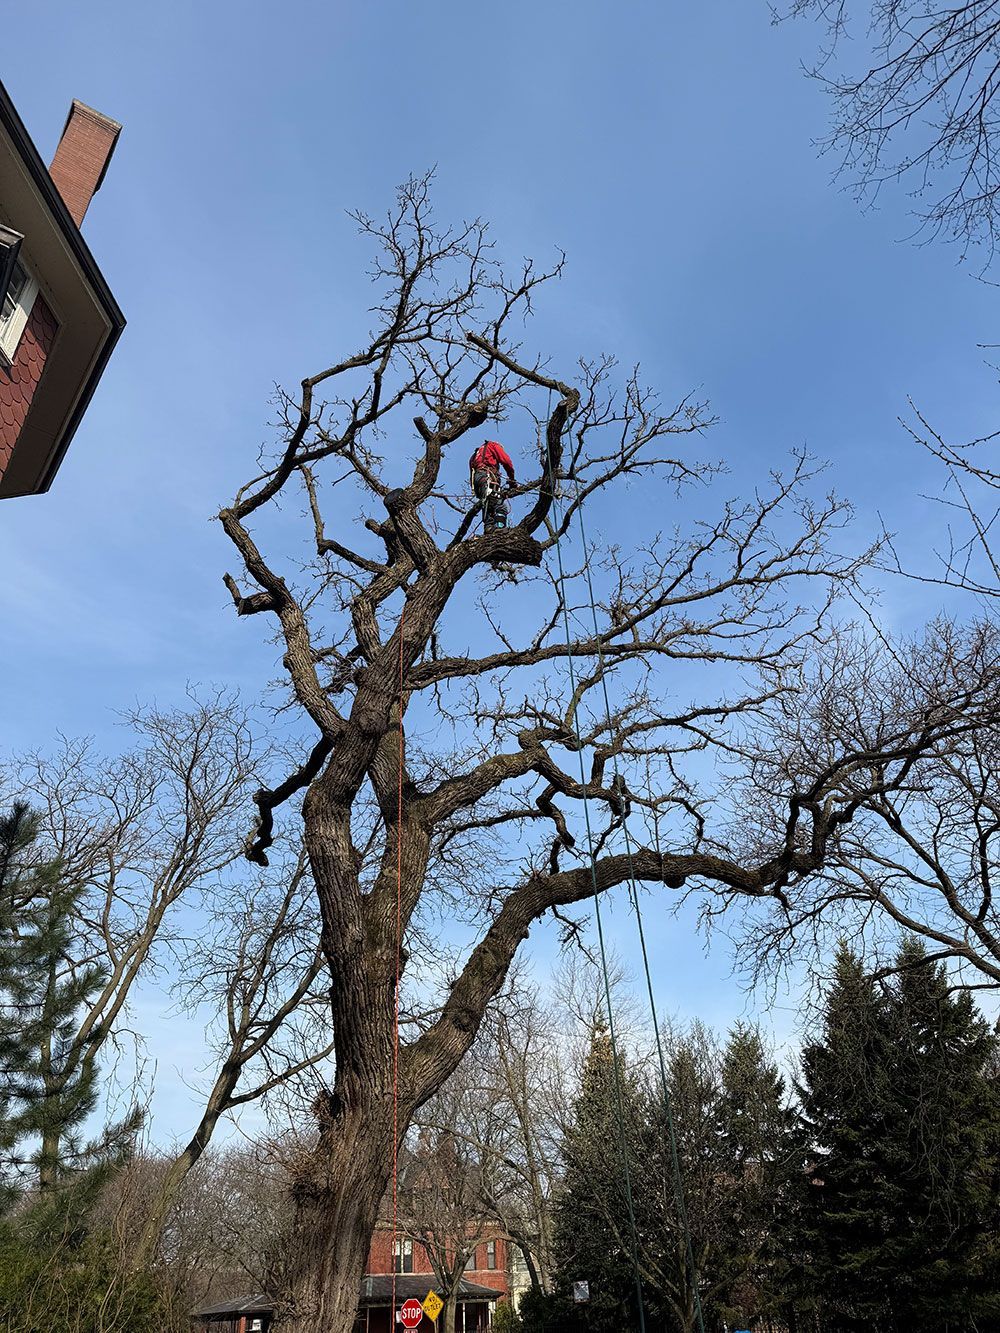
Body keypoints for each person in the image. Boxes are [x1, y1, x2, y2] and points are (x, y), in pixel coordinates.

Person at [469, 439, 515, 532]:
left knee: (489, 502)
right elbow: (506, 462)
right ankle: (498, 528)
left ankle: (489, 527)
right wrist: (512, 480)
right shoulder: (493, 445)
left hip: (478, 480)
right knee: (501, 506)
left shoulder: (474, 455)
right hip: (487, 477)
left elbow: (472, 475)